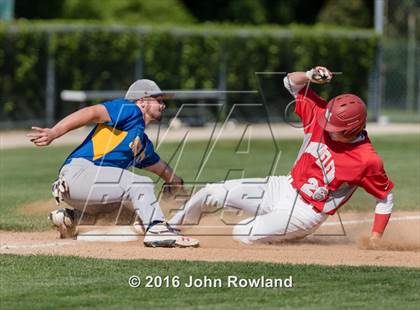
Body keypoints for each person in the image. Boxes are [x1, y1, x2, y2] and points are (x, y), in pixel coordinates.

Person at [169, 66, 394, 246]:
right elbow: (290, 83)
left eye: (333, 127)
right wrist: (309, 75)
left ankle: (288, 236)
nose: (325, 127)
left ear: (352, 130)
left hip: (306, 213)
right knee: (211, 192)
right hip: (283, 186)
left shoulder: (367, 160)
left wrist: (375, 237)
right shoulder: (320, 115)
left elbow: (385, 197)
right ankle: (170, 227)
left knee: (242, 232)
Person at [27, 79, 199, 248]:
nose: (163, 105)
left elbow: (160, 167)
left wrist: (176, 182)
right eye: (158, 100)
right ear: (143, 101)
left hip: (87, 190)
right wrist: (54, 132)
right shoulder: (130, 110)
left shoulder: (141, 143)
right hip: (80, 173)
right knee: (140, 184)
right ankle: (157, 231)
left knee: (133, 214)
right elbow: (92, 112)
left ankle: (72, 218)